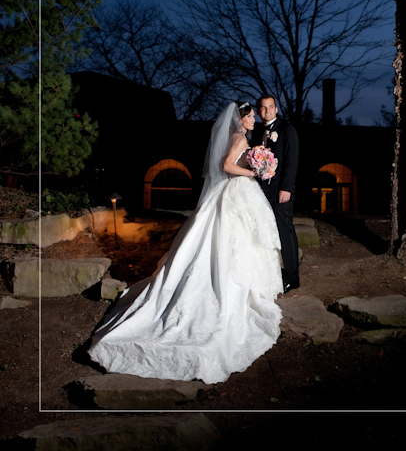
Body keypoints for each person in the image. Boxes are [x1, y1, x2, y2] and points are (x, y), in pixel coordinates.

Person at [87, 102, 284, 385]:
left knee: (231, 239)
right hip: (235, 191)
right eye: (250, 115)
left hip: (232, 193)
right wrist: (253, 172)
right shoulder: (239, 138)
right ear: (239, 119)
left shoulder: (237, 137)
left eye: (254, 115)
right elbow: (226, 165)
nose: (253, 119)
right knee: (232, 240)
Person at [251, 95, 300, 292]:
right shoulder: (257, 133)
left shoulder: (287, 130)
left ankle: (292, 277)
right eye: (263, 108)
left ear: (276, 109)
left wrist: (286, 188)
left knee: (285, 231)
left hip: (280, 191)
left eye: (270, 107)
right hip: (261, 192)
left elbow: (292, 160)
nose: (267, 111)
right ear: (259, 111)